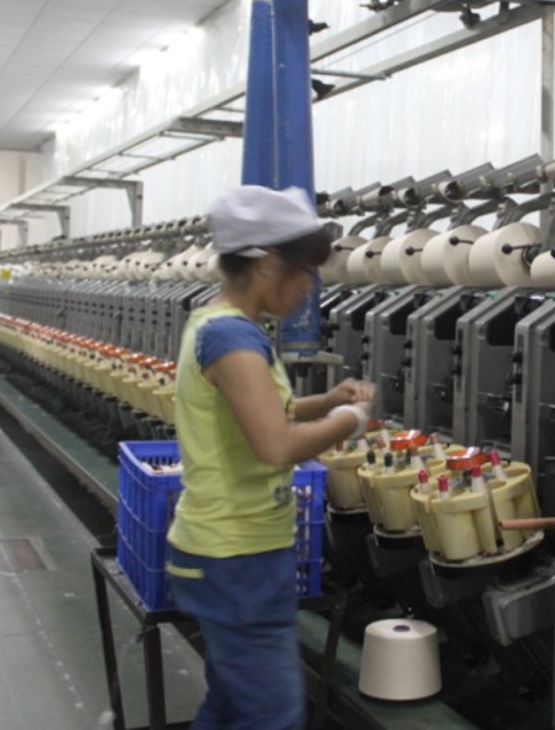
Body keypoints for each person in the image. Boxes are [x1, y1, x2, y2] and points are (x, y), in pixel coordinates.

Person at [165, 185, 377, 730]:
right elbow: (275, 445)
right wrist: (350, 422)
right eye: (303, 271)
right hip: (236, 556)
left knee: (231, 706)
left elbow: (263, 413)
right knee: (273, 716)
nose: (308, 286)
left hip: (237, 552)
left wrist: (326, 401)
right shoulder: (232, 339)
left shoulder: (222, 327)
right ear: (265, 263)